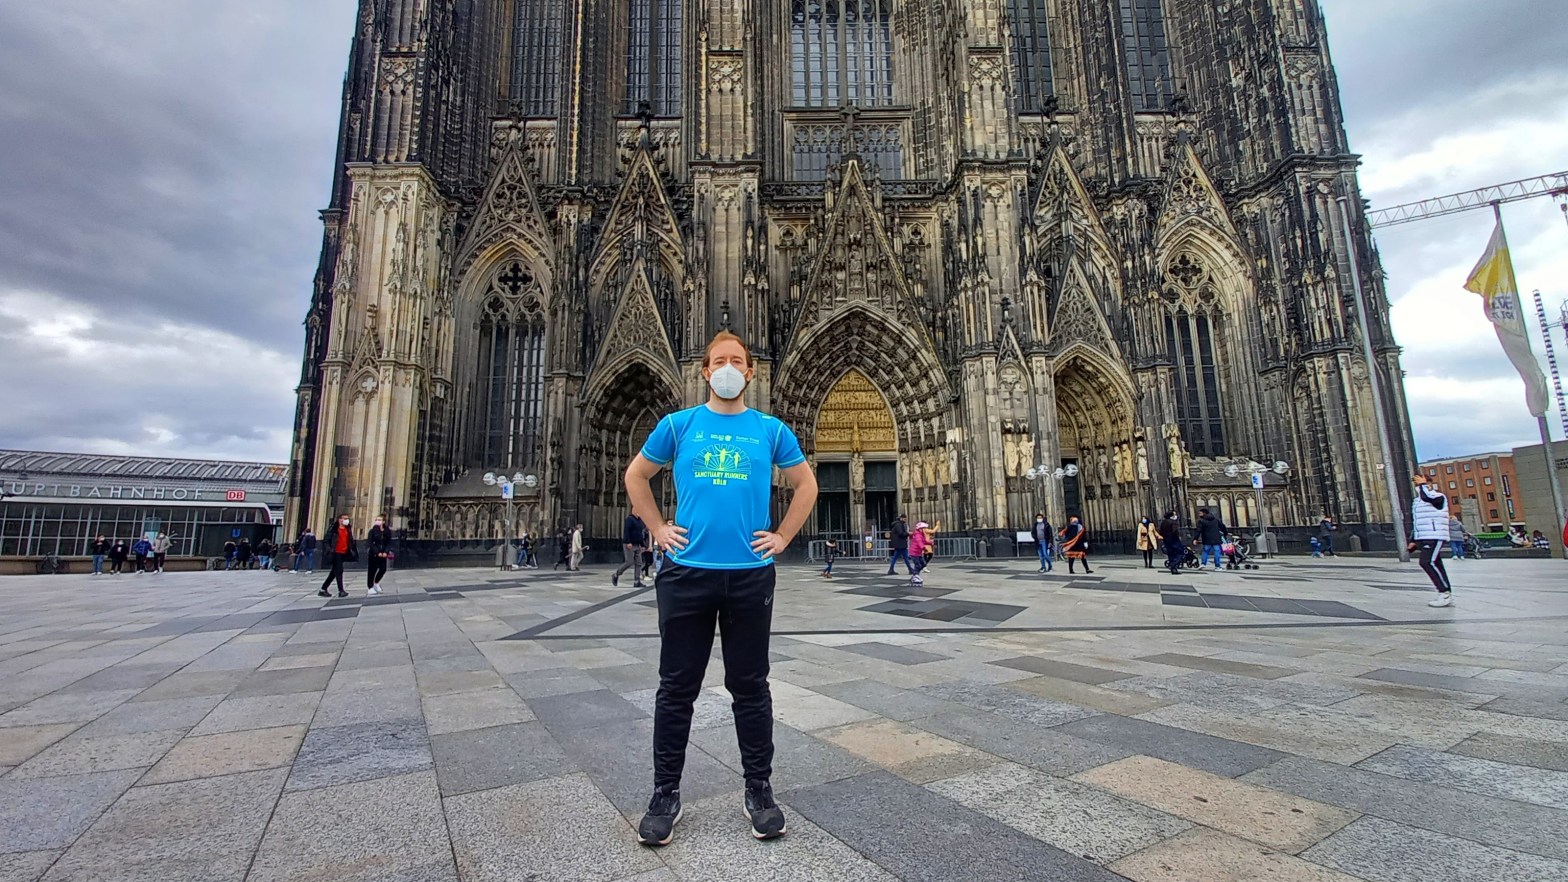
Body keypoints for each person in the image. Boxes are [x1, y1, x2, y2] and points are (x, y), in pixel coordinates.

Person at [623, 330, 818, 847]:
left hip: (749, 574)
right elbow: (636, 476)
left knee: (750, 687)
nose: (728, 368)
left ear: (750, 372)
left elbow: (807, 485)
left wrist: (783, 537)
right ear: (705, 371)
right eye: (719, 361)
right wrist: (657, 528)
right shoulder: (678, 424)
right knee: (676, 688)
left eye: (737, 360)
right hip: (686, 573)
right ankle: (665, 794)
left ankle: (759, 791)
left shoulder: (771, 430)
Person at [1408, 475, 1452, 607]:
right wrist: (1414, 540)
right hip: (1425, 536)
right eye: (1416, 484)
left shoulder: (1438, 497)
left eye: (1420, 483)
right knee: (1436, 563)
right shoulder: (1417, 501)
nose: (1417, 486)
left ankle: (1444, 592)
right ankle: (1445, 592)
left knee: (1426, 562)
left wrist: (1422, 485)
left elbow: (1428, 497)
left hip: (1435, 535)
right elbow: (1418, 522)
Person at [317, 515, 356, 598]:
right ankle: (341, 591)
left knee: (334, 572)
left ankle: (323, 589)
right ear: (340, 520)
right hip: (335, 552)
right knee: (339, 570)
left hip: (343, 552)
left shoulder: (347, 529)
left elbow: (349, 540)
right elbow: (326, 540)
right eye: (345, 518)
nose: (347, 520)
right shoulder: (333, 529)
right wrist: (330, 549)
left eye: (347, 518)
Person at [614, 512, 648, 588]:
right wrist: (628, 542)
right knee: (629, 562)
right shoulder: (630, 519)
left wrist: (642, 545)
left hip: (637, 544)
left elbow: (640, 534)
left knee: (639, 563)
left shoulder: (640, 521)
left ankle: (637, 581)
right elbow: (626, 531)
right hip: (629, 544)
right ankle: (616, 574)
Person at [366, 514, 391, 594]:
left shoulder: (387, 531)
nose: (377, 521)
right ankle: (370, 587)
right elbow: (370, 543)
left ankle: (376, 582)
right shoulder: (372, 531)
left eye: (379, 520)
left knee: (383, 569)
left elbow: (388, 543)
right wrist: (377, 552)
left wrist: (386, 552)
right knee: (372, 571)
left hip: (383, 554)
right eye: (376, 520)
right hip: (374, 554)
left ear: (383, 521)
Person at [1195, 507, 1226, 571]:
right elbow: (1223, 527)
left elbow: (1198, 530)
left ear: (1204, 513)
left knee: (1205, 551)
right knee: (1217, 551)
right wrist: (1225, 533)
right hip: (1216, 538)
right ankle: (1217, 566)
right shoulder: (1216, 520)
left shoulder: (1201, 521)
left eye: (1200, 513)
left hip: (1206, 538)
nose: (1199, 514)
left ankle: (1203, 563)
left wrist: (1195, 538)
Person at [1158, 511, 1184, 575]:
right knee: (1180, 552)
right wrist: (1178, 536)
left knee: (1171, 554)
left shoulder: (1163, 522)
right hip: (1174, 540)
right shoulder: (1173, 522)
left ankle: (1173, 569)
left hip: (1166, 540)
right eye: (1174, 515)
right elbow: (1174, 531)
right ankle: (1173, 564)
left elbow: (1160, 531)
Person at [909, 521, 931, 585]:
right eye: (924, 528)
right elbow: (919, 542)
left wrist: (930, 543)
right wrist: (923, 548)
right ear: (920, 529)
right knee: (918, 565)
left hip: (918, 553)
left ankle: (915, 575)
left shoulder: (922, 535)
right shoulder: (918, 535)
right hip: (914, 553)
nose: (925, 530)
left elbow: (924, 541)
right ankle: (915, 575)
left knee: (923, 564)